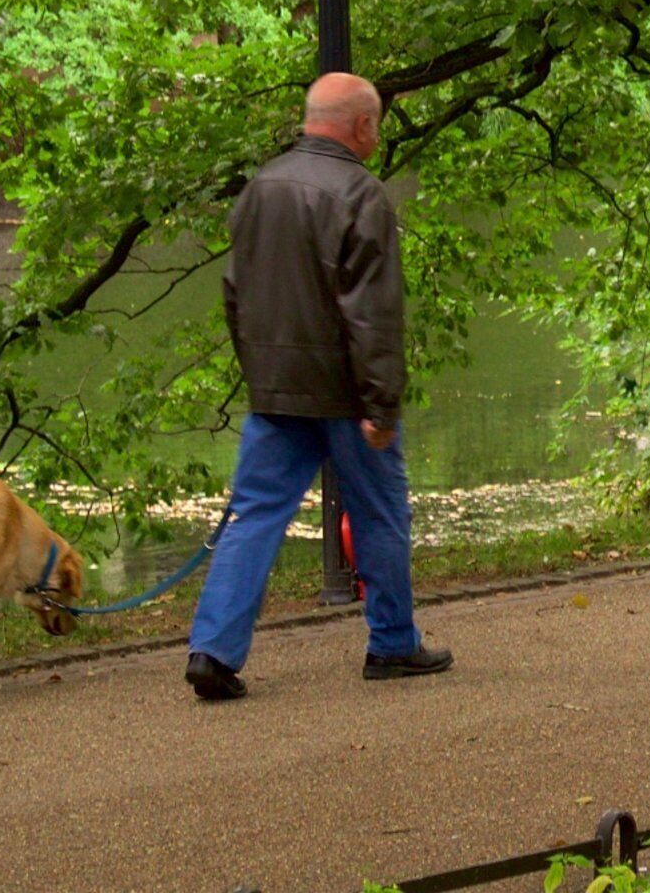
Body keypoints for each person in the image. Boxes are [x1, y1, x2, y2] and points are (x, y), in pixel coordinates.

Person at [183, 72, 454, 699]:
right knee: (381, 512)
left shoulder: (259, 188)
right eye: (376, 126)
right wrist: (381, 405)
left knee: (252, 516)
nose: (377, 137)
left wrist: (261, 376)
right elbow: (373, 315)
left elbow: (235, 296)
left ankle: (212, 651)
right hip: (345, 394)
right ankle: (391, 643)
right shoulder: (362, 195)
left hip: (276, 392)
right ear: (360, 125)